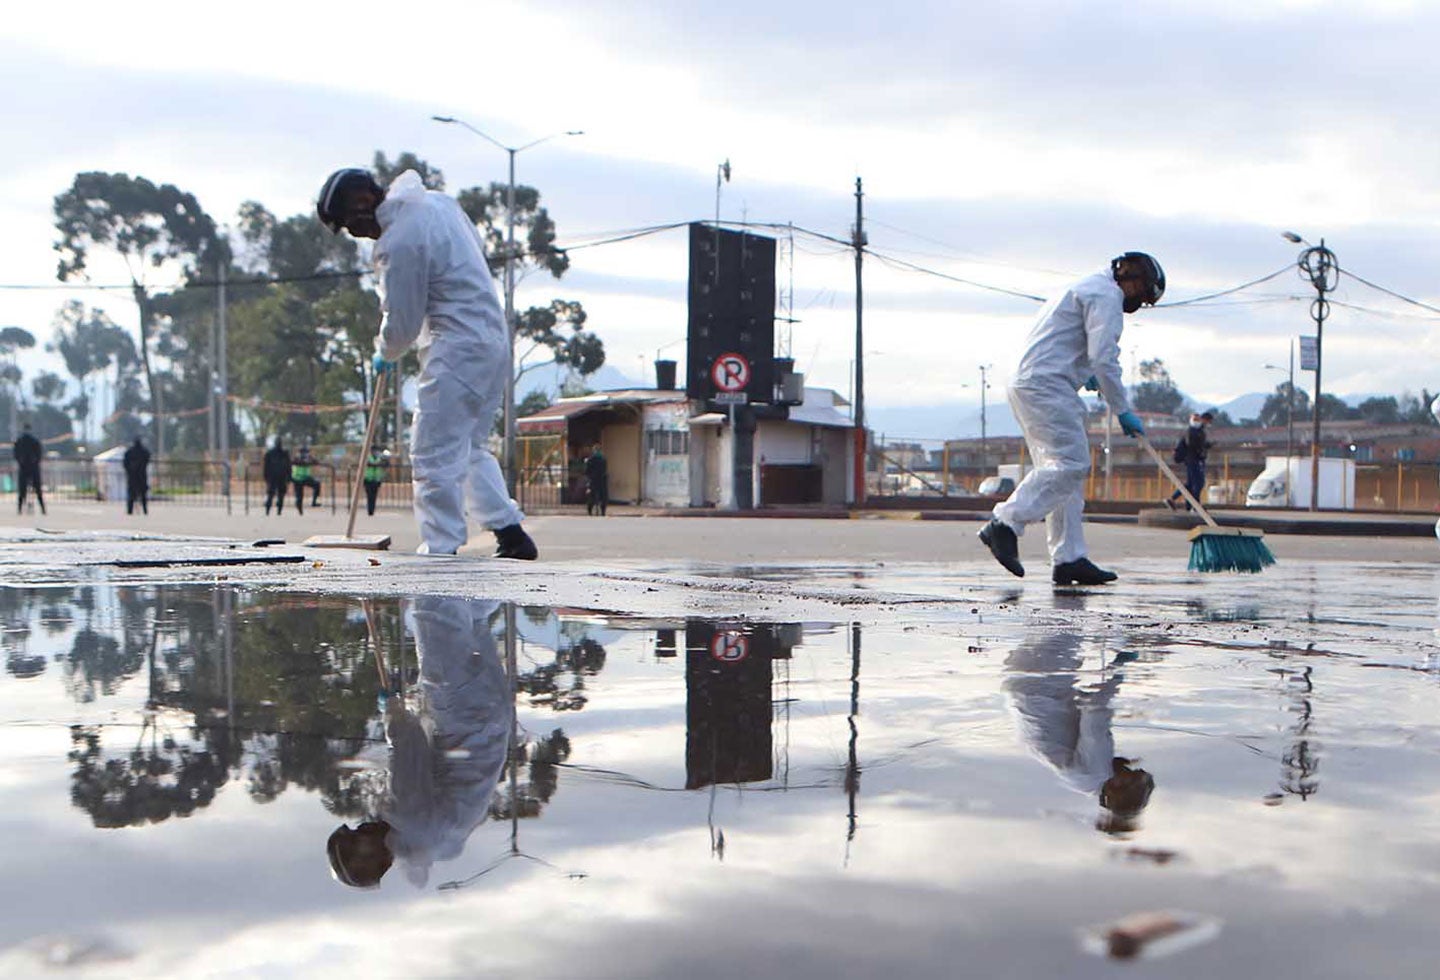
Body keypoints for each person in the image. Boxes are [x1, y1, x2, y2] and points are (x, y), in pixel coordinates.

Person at [316, 167, 537, 559]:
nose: (356, 234)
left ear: (365, 203)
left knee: (432, 452)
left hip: (457, 348)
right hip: (492, 341)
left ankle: (440, 550)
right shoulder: (436, 203)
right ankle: (511, 535)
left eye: (352, 225)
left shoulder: (399, 241)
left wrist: (384, 352)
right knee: (468, 447)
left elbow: (402, 322)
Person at [978, 252, 1165, 586]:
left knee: (1064, 475)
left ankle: (1069, 558)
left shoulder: (1087, 287)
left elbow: (1075, 345)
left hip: (1038, 382)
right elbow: (1104, 357)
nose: (1139, 302)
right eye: (1142, 294)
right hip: (1046, 385)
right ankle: (1005, 523)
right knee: (1071, 465)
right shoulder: (1107, 295)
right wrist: (1121, 407)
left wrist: (1085, 372)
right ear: (1133, 279)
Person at [327, 596, 512, 889]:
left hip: (491, 720)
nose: (362, 824)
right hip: (461, 711)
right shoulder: (408, 820)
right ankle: (440, 550)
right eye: (358, 836)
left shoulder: (433, 846)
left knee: (473, 616)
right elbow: (408, 747)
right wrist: (392, 712)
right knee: (433, 606)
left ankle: (512, 555)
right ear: (374, 856)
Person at [1004, 620, 1155, 835]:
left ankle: (1072, 586)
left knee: (1069, 615)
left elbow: (1094, 711)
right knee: (1058, 615)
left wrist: (1118, 671)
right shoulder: (1085, 782)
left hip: (1043, 686)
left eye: (1130, 777)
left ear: (1118, 787)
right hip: (1024, 688)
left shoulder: (1096, 772)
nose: (1128, 770)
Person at [1166, 411, 1214, 511]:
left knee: (1190, 484)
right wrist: (1204, 447)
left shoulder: (1198, 430)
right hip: (1193, 460)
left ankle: (1179, 502)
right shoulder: (1193, 431)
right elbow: (1193, 445)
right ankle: (1195, 506)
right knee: (1198, 483)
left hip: (1193, 459)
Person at [12, 422, 45, 516]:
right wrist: (35, 462)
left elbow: (15, 454)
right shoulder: (35, 441)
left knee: (22, 489)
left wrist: (20, 461)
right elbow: (39, 454)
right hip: (33, 467)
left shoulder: (19, 440)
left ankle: (19, 509)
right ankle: (42, 509)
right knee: (37, 489)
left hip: (23, 467)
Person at [122, 436, 151, 515]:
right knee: (143, 494)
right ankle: (145, 510)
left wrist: (129, 470)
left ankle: (130, 510)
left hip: (132, 476)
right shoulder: (144, 451)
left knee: (131, 494)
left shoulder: (129, 452)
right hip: (142, 475)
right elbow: (147, 459)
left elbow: (125, 463)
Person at [262, 437, 291, 515]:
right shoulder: (271, 453)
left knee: (275, 494)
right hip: (276, 476)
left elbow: (288, 465)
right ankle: (272, 511)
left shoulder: (282, 453)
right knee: (274, 494)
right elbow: (266, 466)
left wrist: (265, 476)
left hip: (277, 476)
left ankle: (274, 511)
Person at [291, 443, 321, 514]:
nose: (305, 453)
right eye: (304, 452)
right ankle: (299, 508)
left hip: (305, 478)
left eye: (306, 452)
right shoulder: (296, 457)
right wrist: (305, 461)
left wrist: (311, 460)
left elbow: (316, 462)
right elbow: (293, 462)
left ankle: (313, 502)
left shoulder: (309, 457)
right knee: (299, 495)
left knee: (317, 485)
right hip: (297, 478)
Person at [363, 445, 390, 517]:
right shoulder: (367, 457)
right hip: (368, 479)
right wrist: (377, 464)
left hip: (376, 479)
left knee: (374, 496)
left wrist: (384, 461)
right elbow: (368, 464)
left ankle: (372, 510)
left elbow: (385, 464)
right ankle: (370, 510)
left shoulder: (380, 458)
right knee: (369, 495)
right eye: (374, 450)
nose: (375, 452)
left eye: (376, 451)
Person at [584, 444, 608, 516]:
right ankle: (603, 510)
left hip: (593, 479)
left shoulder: (591, 459)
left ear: (594, 450)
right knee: (603, 495)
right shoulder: (603, 459)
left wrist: (588, 476)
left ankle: (590, 510)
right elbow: (605, 469)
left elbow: (587, 470)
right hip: (602, 479)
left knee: (591, 495)